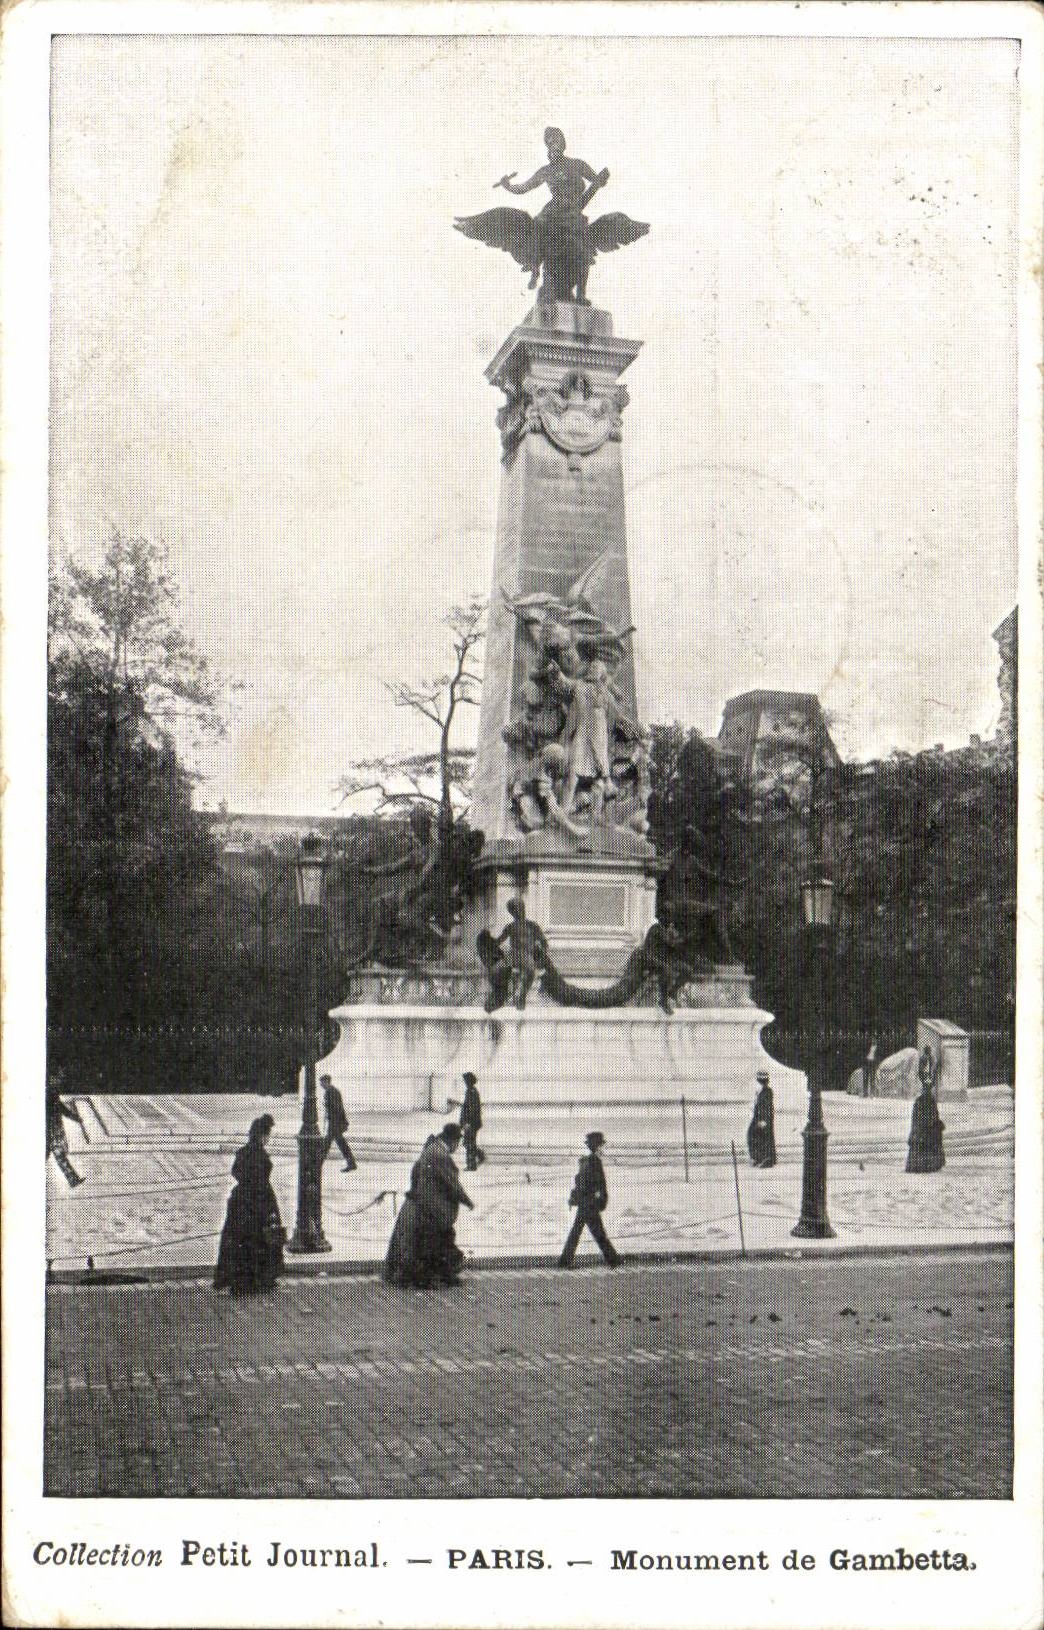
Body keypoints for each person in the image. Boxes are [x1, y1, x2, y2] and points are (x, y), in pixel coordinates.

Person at [384, 1125, 474, 1287]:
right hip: (433, 1209)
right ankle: (436, 1277)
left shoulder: (431, 1151)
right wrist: (467, 1201)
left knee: (432, 1242)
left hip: (423, 1206)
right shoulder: (440, 1155)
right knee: (436, 1243)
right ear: (453, 1141)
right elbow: (452, 1183)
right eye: (457, 1143)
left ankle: (439, 1276)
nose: (457, 1147)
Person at [214, 1114, 284, 1296]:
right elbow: (262, 1180)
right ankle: (259, 1278)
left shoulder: (243, 1152)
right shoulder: (261, 1155)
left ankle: (238, 1280)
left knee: (240, 1240)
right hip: (260, 1200)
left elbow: (236, 1173)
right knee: (260, 1239)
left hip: (241, 1201)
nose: (268, 1138)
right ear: (263, 1135)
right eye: (268, 1135)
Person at [559, 1131, 619, 1268]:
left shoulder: (584, 1161)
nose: (603, 1148)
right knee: (598, 1234)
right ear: (597, 1146)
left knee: (578, 1232)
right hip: (590, 1204)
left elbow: (579, 1182)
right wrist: (602, 1201)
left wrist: (575, 1198)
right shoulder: (595, 1162)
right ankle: (614, 1260)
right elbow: (601, 1184)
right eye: (601, 1145)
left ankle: (564, 1262)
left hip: (584, 1203)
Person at [47, 1075, 85, 1188]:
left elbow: (63, 1109)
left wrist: (76, 1118)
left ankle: (73, 1179)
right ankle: (73, 1179)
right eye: (56, 1082)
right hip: (50, 1132)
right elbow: (63, 1110)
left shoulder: (52, 1096)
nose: (58, 1085)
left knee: (60, 1156)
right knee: (58, 1156)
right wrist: (76, 1118)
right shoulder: (50, 1096)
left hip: (53, 1132)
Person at [906, 1074, 946, 1173]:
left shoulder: (931, 1101)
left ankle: (931, 1165)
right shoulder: (920, 1101)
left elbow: (935, 1115)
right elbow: (918, 1117)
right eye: (927, 1089)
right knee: (923, 1146)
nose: (929, 1091)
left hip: (929, 1128)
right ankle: (922, 1166)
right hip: (922, 1129)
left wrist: (937, 1123)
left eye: (929, 1089)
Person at [321, 1076, 356, 1172]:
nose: (321, 1085)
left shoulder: (330, 1092)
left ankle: (317, 1164)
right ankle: (351, 1163)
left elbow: (337, 1107)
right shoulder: (333, 1091)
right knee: (341, 1144)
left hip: (334, 1122)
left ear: (327, 1082)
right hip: (336, 1122)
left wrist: (327, 1105)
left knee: (326, 1144)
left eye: (322, 1083)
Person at [746, 1072, 777, 1168]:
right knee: (755, 1136)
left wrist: (764, 1121)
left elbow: (767, 1107)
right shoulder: (761, 1091)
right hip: (758, 1117)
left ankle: (767, 1159)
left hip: (763, 1118)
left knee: (762, 1137)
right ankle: (758, 1158)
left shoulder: (767, 1091)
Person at [459, 1072, 483, 1172]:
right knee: (467, 1143)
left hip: (471, 1123)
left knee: (469, 1143)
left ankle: (471, 1165)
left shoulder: (472, 1092)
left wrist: (467, 1122)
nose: (464, 1082)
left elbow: (472, 1109)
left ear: (469, 1081)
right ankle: (479, 1155)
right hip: (470, 1122)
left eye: (465, 1080)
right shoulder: (470, 1091)